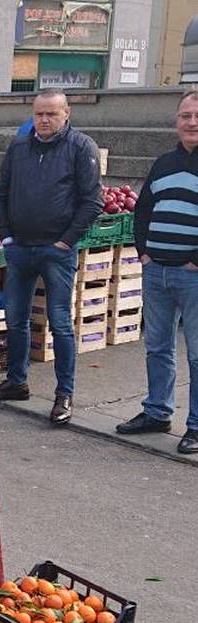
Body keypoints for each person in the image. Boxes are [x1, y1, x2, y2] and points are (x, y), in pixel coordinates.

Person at [0, 88, 103, 424]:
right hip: (20, 248)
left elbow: (92, 202)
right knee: (15, 319)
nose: (44, 119)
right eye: (39, 113)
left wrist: (66, 242)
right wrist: (7, 236)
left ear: (66, 113)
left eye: (51, 113)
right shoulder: (20, 147)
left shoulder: (81, 148)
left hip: (57, 251)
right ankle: (16, 381)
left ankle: (64, 393)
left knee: (60, 323)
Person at [115, 90, 198, 455]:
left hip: (193, 275)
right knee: (158, 346)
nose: (191, 122)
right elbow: (143, 211)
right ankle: (157, 411)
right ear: (176, 121)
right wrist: (145, 253)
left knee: (197, 354)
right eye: (185, 115)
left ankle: (195, 425)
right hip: (157, 272)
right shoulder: (163, 163)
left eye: (197, 115)